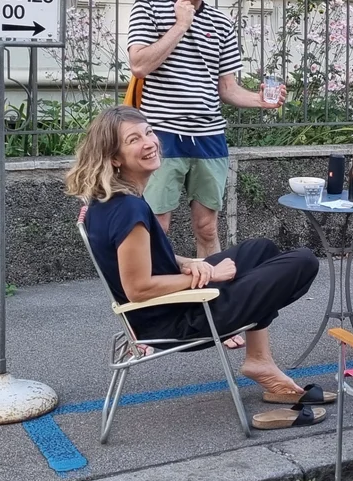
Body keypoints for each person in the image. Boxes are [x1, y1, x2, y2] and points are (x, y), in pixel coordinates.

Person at [66, 106, 331, 425]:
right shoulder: (128, 210)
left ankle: (260, 361)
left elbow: (144, 260)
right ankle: (260, 361)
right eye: (134, 139)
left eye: (149, 132)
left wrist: (190, 263)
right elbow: (137, 288)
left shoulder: (110, 202)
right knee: (302, 261)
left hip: (169, 307)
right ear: (115, 158)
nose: (149, 142)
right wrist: (207, 275)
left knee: (259, 251)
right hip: (177, 321)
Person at [126, 0, 282, 259]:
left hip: (209, 137)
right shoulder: (148, 5)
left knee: (207, 227)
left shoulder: (222, 24)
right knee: (157, 225)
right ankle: (152, 302)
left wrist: (261, 100)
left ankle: (214, 300)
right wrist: (181, 24)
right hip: (162, 134)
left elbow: (227, 88)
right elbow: (139, 64)